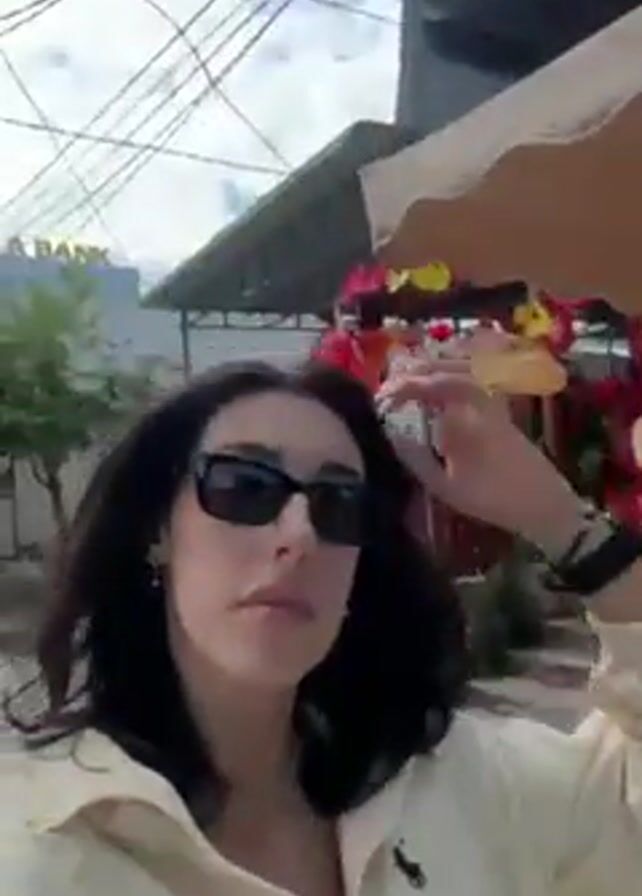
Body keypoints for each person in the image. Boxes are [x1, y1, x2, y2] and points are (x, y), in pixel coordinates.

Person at [2, 358, 642, 896]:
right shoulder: (36, 844)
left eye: (339, 503)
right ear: (156, 530)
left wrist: (561, 520)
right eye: (245, 485)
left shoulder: (463, 784)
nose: (300, 534)